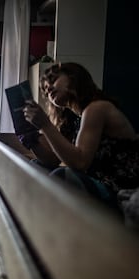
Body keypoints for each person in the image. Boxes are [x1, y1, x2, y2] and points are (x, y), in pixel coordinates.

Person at [21, 62, 139, 206]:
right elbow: (53, 160)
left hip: (120, 188)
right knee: (36, 165)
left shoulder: (97, 108)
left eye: (53, 80)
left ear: (73, 77)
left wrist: (45, 125)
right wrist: (30, 137)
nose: (49, 88)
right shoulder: (78, 119)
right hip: (101, 182)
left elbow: (80, 162)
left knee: (62, 176)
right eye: (45, 90)